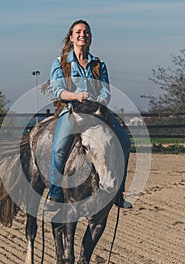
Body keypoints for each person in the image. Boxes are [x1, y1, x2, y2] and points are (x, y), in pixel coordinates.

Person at [49, 19, 132, 208]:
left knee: (125, 143)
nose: (82, 35)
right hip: (72, 112)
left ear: (90, 37)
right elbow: (58, 91)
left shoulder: (98, 64)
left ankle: (118, 192)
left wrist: (101, 100)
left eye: (86, 32)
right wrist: (76, 96)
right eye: (78, 32)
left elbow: (106, 90)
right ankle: (55, 194)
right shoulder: (61, 63)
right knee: (59, 149)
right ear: (71, 37)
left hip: (97, 113)